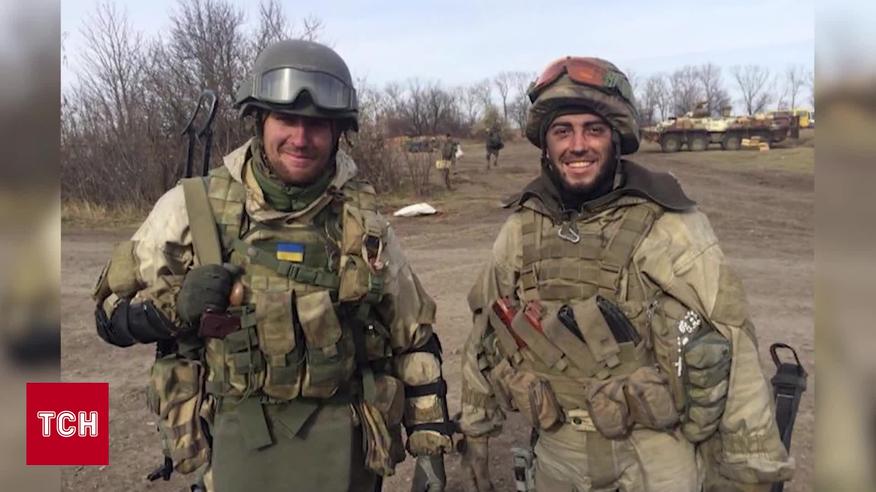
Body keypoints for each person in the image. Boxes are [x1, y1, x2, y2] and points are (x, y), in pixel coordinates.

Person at [92, 39, 452, 492]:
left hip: (343, 455)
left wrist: (430, 449)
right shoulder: (191, 210)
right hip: (233, 450)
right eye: (286, 119)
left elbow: (414, 339)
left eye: (317, 124)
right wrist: (173, 308)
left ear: (337, 132)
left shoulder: (365, 224)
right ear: (260, 120)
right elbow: (108, 315)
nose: (300, 138)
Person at [458, 56, 794, 491]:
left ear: (616, 138)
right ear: (547, 145)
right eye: (563, 131)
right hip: (559, 449)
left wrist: (751, 468)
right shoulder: (521, 229)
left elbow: (734, 340)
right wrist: (476, 434)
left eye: (593, 130)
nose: (578, 145)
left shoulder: (669, 223)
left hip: (655, 452)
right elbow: (484, 332)